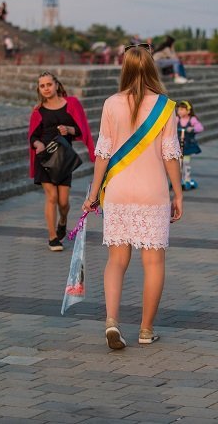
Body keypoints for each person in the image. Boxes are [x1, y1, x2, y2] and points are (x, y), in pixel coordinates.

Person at [82, 44, 183, 350]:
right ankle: (146, 330)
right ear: (153, 68)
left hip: (118, 190)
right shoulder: (166, 106)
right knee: (153, 263)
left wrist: (94, 192)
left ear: (123, 69)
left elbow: (103, 152)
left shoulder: (111, 104)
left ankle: (112, 321)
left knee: (116, 260)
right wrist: (178, 193)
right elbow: (170, 155)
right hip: (151, 191)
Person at [28, 72, 95, 251]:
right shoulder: (38, 110)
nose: (46, 88)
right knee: (52, 197)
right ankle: (52, 238)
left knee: (64, 202)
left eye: (49, 84)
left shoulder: (71, 104)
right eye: (42, 86)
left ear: (57, 85)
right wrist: (38, 143)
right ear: (39, 89)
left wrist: (68, 129)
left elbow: (81, 130)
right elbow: (32, 136)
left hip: (64, 158)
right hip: (44, 158)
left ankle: (63, 221)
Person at [176, 100, 203, 190]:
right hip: (178, 146)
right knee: (179, 163)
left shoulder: (192, 119)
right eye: (179, 109)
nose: (180, 111)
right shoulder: (177, 119)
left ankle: (187, 179)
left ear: (188, 111)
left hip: (188, 145)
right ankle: (178, 179)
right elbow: (171, 125)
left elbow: (200, 127)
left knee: (186, 163)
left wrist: (192, 128)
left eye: (182, 109)